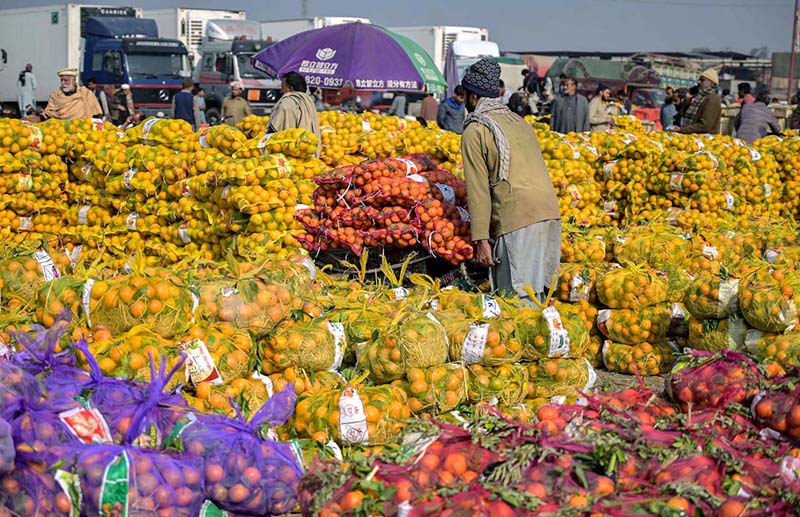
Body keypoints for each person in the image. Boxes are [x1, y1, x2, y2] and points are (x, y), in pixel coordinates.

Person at [459, 58, 561, 305]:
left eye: (464, 96)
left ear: (473, 97)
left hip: (517, 218)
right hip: (549, 214)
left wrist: (481, 239)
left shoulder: (476, 129)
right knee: (539, 297)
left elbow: (478, 189)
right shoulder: (519, 122)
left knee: (513, 303)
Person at [267, 72, 321, 156]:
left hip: (290, 153)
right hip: (307, 150)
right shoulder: (309, 101)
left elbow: (274, 129)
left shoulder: (287, 103)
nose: (281, 91)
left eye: (283, 87)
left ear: (290, 88)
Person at [667, 69, 721, 134]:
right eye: (699, 79)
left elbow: (705, 125)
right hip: (691, 137)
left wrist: (681, 130)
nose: (698, 82)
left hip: (704, 140)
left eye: (702, 80)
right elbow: (682, 113)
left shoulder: (713, 98)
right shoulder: (697, 96)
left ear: (711, 83)